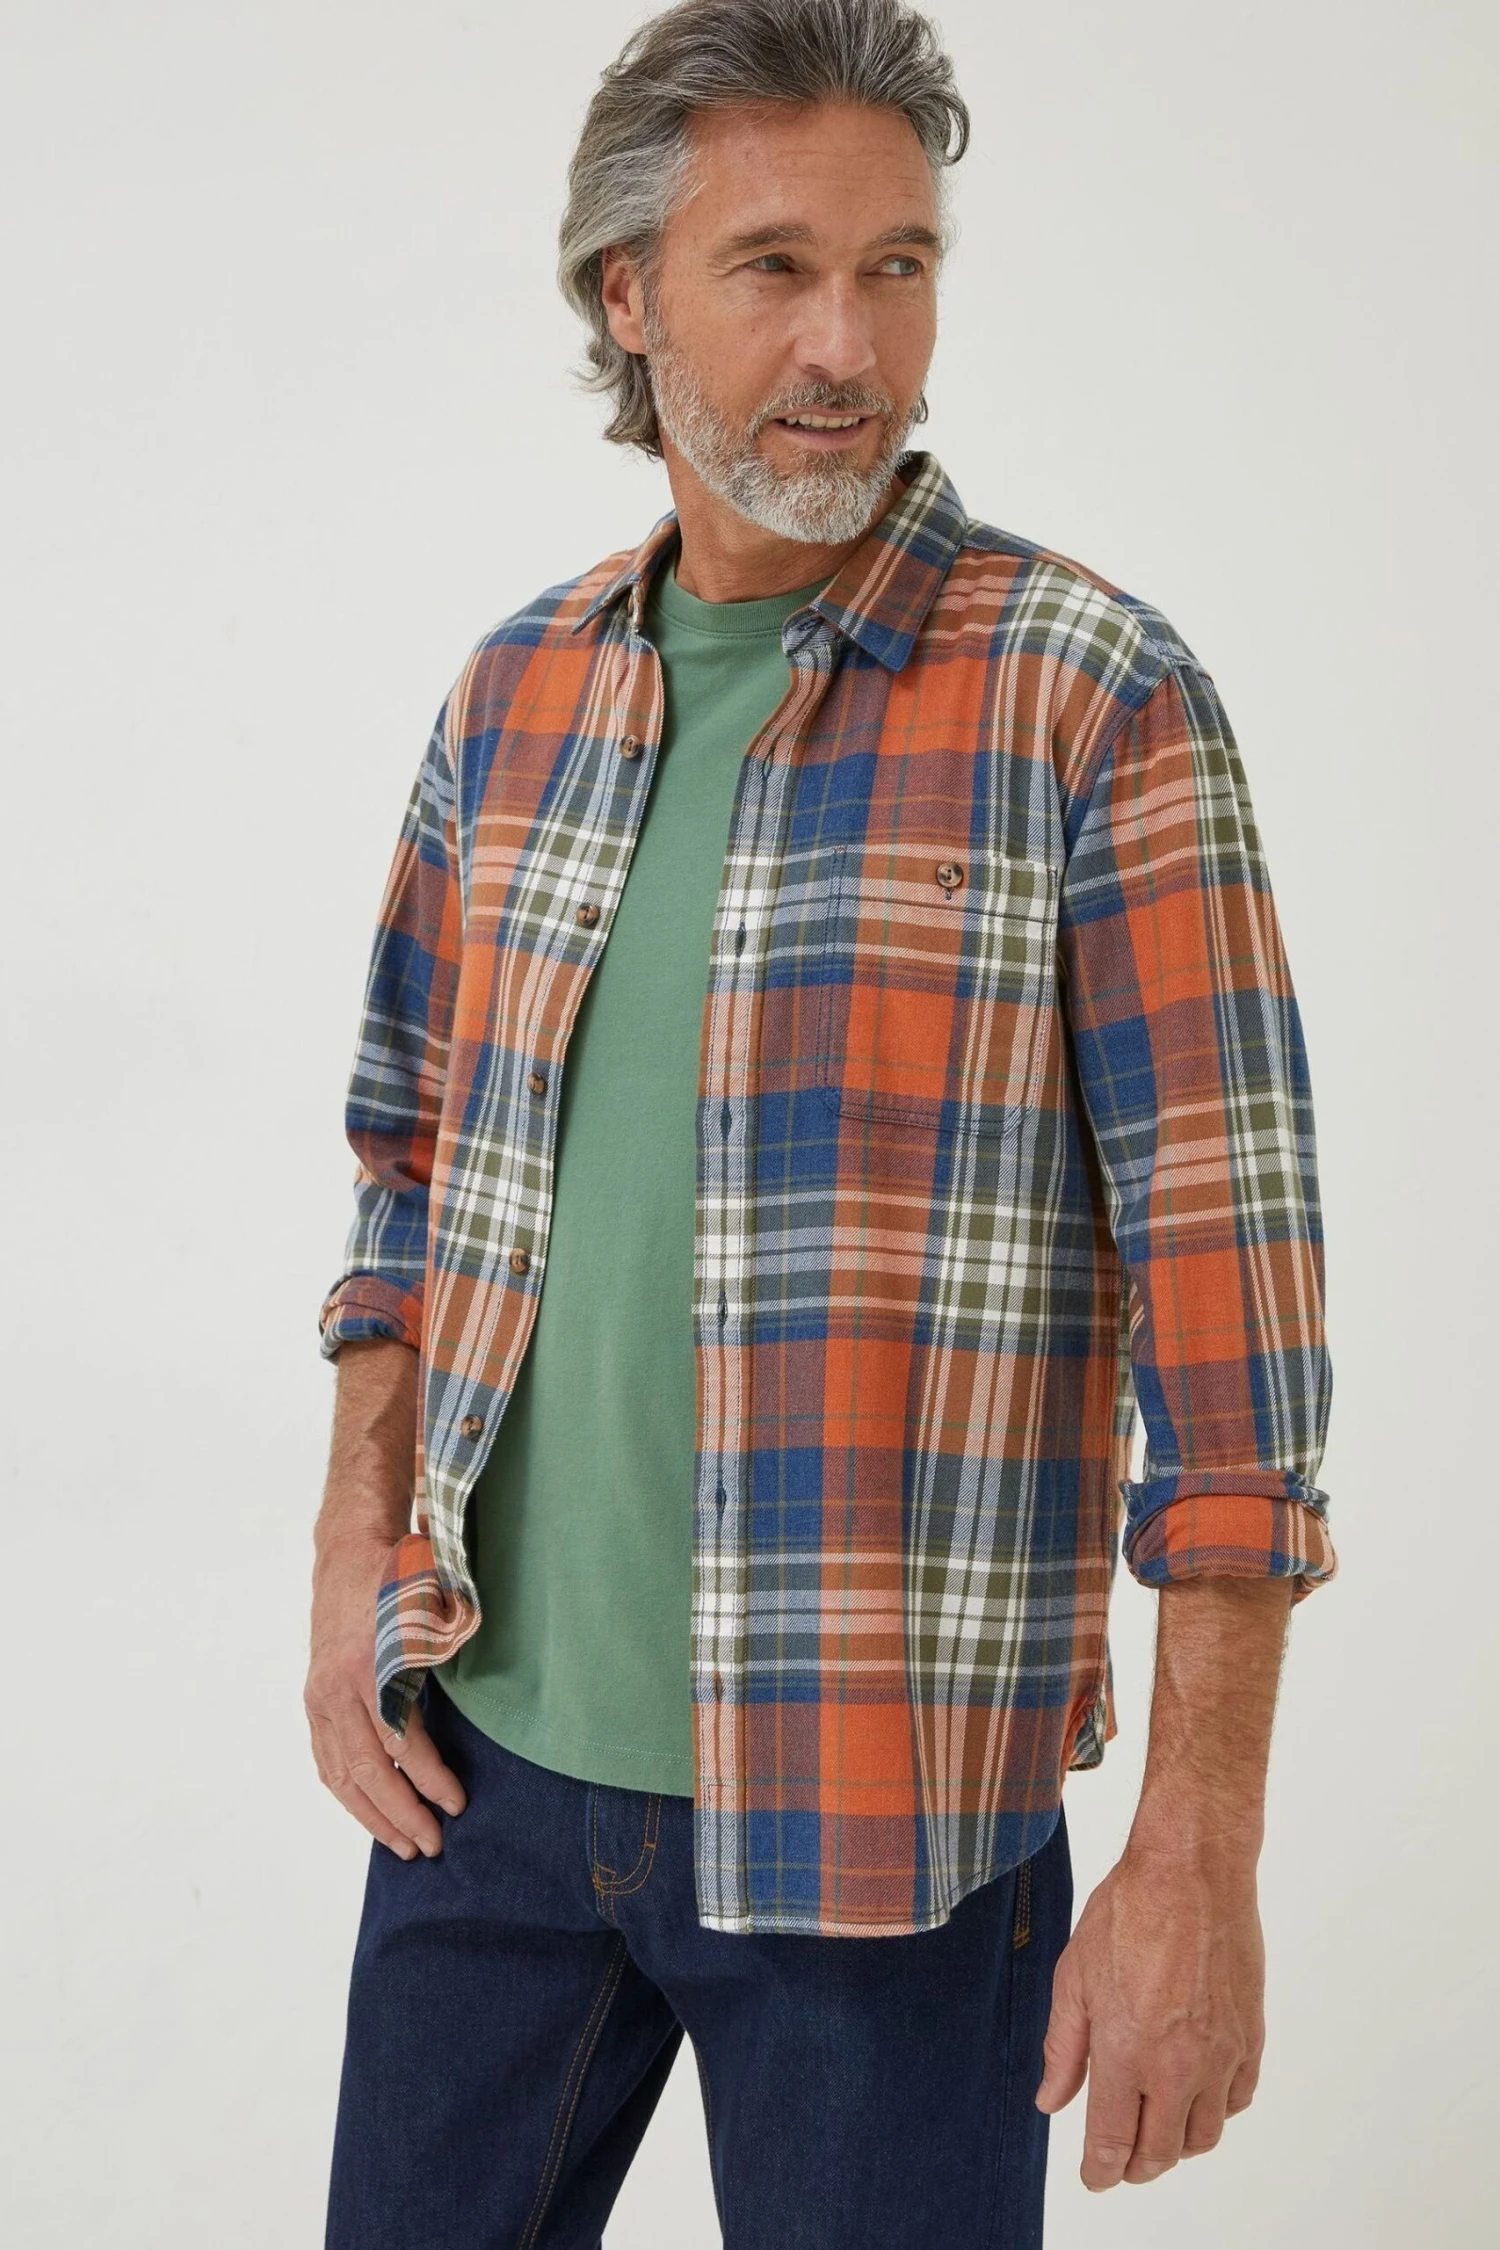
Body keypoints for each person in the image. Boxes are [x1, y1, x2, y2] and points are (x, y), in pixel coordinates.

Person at [306, 3, 1337, 2243]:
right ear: (629, 293)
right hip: (481, 1790)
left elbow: (1236, 1334)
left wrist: (1199, 1851)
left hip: (896, 1838)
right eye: (774, 267)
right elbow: (407, 1176)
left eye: (900, 266)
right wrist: (346, 1555)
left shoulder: (1093, 698)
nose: (849, 347)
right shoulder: (517, 696)